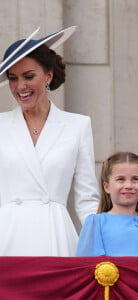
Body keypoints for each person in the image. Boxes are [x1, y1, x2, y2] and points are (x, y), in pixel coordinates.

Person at [0, 26, 99, 256]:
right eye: (13, 79)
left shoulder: (78, 125)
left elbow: (87, 201)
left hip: (54, 236)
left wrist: (105, 242)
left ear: (48, 75)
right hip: (7, 236)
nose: (20, 87)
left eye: (29, 76)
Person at [76, 151, 138, 257]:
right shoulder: (96, 223)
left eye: (135, 179)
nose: (128, 185)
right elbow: (87, 266)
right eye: (121, 179)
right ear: (106, 187)